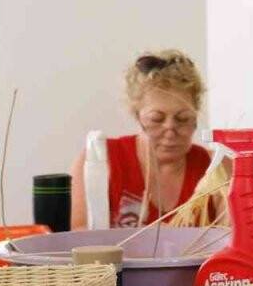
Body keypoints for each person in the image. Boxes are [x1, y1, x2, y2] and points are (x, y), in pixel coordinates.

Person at [70, 49, 212, 229]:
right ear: (137, 115)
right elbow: (78, 237)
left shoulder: (215, 169)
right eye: (156, 119)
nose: (170, 131)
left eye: (183, 119)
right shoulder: (97, 160)